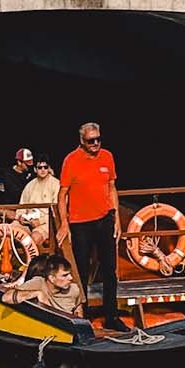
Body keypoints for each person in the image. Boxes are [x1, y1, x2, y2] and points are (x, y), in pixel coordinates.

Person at [57, 121, 126, 331]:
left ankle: (111, 316)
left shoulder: (107, 156)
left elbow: (112, 188)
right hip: (80, 224)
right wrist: (64, 224)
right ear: (82, 140)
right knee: (81, 272)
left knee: (109, 270)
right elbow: (62, 194)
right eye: (90, 140)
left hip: (104, 220)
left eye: (98, 139)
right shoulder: (71, 160)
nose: (95, 143)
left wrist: (117, 219)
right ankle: (83, 316)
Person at [3, 254, 84, 321]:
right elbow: (6, 298)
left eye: (70, 274)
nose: (71, 278)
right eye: (65, 275)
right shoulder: (38, 283)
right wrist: (37, 293)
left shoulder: (74, 289)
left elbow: (78, 308)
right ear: (51, 278)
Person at [16, 156, 60, 243]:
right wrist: (21, 217)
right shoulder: (29, 185)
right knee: (10, 232)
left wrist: (40, 221)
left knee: (34, 238)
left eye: (45, 167)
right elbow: (21, 207)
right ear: (35, 169)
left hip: (47, 223)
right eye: (40, 167)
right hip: (28, 222)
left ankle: (33, 257)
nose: (43, 170)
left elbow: (57, 211)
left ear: (49, 168)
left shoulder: (56, 184)